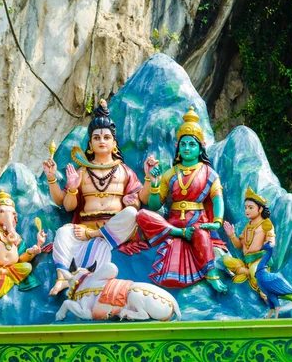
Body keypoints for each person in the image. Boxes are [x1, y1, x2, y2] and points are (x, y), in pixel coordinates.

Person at [43, 100, 143, 296]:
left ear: (114, 143)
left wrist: (137, 198)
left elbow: (138, 201)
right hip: (84, 227)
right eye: (96, 137)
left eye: (106, 137)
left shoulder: (124, 170)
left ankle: (96, 237)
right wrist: (58, 181)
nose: (101, 141)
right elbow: (67, 206)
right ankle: (63, 276)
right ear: (90, 144)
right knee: (63, 233)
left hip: (111, 229)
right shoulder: (82, 171)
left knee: (131, 214)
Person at [137, 106, 228, 293]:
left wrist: (217, 222)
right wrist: (154, 184)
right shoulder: (170, 173)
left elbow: (217, 199)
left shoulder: (209, 173)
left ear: (200, 147)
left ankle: (211, 274)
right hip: (173, 222)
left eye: (192, 145)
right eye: (184, 144)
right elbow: (154, 206)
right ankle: (178, 234)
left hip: (197, 221)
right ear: (178, 146)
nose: (187, 148)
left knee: (201, 235)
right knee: (142, 215)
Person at [223, 187, 275, 301]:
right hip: (247, 261)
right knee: (226, 260)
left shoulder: (266, 223)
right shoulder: (247, 226)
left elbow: (271, 238)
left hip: (260, 261)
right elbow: (239, 246)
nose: (247, 210)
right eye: (246, 207)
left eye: (250, 208)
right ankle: (247, 272)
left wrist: (269, 243)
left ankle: (264, 293)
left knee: (255, 271)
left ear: (260, 209)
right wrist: (231, 235)